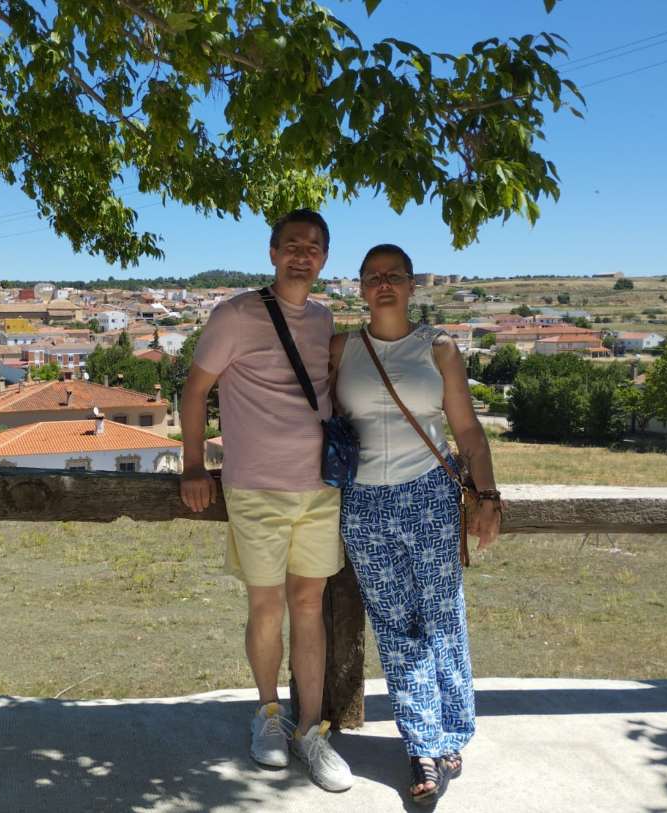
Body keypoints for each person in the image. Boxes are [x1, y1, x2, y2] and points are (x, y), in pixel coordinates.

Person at [178, 208, 353, 793]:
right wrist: (193, 466)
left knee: (309, 605)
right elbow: (195, 390)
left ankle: (310, 731)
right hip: (254, 486)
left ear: (325, 258)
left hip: (319, 490)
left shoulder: (324, 318)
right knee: (267, 608)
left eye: (314, 247)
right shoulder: (236, 314)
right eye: (292, 245)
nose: (303, 255)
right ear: (273, 253)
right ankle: (269, 716)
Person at [330, 243, 502, 805]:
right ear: (360, 288)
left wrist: (487, 496)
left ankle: (453, 733)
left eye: (394, 276)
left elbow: (469, 432)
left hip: (429, 494)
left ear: (410, 285)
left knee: (442, 615)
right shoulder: (341, 349)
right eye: (373, 276)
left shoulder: (440, 348)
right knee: (395, 627)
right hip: (364, 504)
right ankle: (423, 744)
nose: (384, 284)